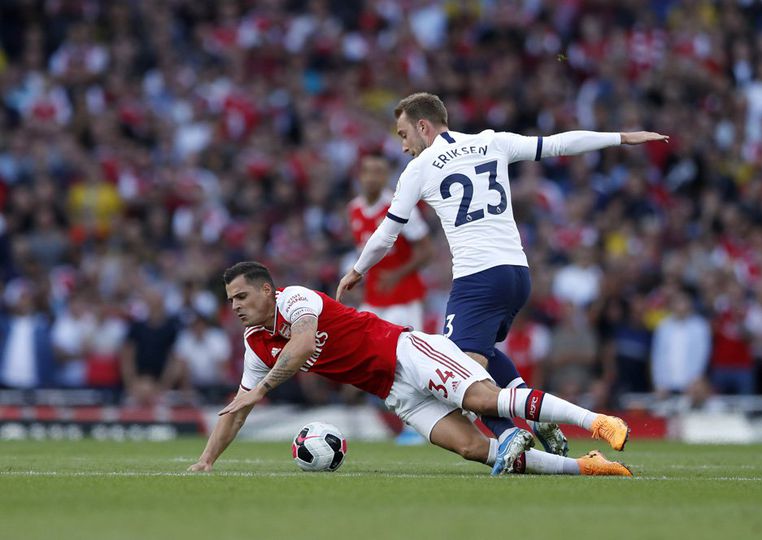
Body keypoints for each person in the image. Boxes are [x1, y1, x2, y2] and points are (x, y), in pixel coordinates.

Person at [337, 92, 667, 461]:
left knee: (457, 377)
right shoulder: (491, 141)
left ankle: (510, 434)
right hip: (517, 273)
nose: (402, 146)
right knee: (483, 353)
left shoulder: (420, 167)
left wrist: (356, 270)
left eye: (403, 134)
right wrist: (620, 137)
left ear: (423, 126)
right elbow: (559, 144)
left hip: (477, 279)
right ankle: (538, 419)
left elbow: (386, 233)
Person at [188, 261, 632, 477]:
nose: (236, 308)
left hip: (405, 352)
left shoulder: (295, 299)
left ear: (267, 290)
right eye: (230, 302)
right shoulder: (255, 345)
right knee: (472, 449)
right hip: (393, 391)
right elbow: (238, 410)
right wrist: (206, 460)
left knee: (482, 398)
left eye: (242, 297)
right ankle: (585, 467)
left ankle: (599, 422)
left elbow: (303, 343)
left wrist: (261, 389)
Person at [346, 152, 433, 330]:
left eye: (378, 172)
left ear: (386, 176)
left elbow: (427, 251)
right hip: (373, 298)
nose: (371, 177)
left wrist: (397, 274)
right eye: (367, 171)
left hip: (404, 299)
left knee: (403, 355)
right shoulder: (354, 209)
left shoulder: (399, 207)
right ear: (360, 175)